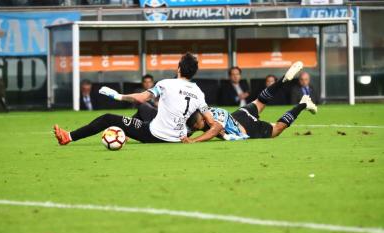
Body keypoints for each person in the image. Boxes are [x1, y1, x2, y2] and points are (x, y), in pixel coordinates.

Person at [53, 53, 222, 145]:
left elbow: (141, 98)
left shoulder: (166, 84)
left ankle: (69, 137)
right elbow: (214, 126)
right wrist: (193, 141)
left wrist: (117, 95)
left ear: (178, 68)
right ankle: (125, 134)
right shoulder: (199, 93)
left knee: (107, 118)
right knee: (145, 111)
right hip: (177, 137)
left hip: (153, 134)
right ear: (193, 73)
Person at [185, 61, 318, 141]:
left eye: (197, 126)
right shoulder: (204, 112)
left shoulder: (211, 122)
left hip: (247, 128)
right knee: (260, 100)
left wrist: (194, 141)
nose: (196, 128)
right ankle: (282, 79)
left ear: (202, 120)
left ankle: (303, 103)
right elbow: (188, 129)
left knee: (277, 128)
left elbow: (215, 130)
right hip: (240, 114)